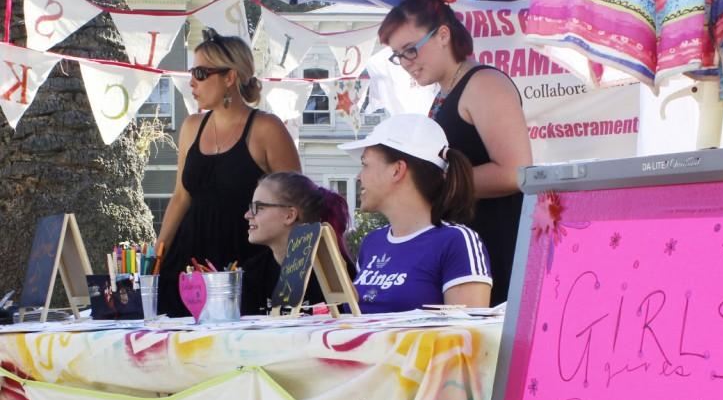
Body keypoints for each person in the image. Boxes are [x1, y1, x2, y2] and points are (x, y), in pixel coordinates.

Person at [378, 0, 532, 304]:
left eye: (410, 49)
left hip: (496, 244)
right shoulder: (446, 91)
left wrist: (430, 185)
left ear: (444, 35)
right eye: (397, 56)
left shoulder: (484, 83)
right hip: (467, 246)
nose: (406, 63)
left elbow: (515, 172)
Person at [155, 31, 301, 317]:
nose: (192, 82)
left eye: (200, 72)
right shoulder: (191, 126)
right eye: (191, 72)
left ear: (229, 77)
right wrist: (157, 257)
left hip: (246, 264)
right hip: (189, 262)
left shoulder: (266, 129)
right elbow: (181, 197)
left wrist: (292, 269)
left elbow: (299, 203)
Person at [338, 113, 491, 313]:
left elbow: (468, 338)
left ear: (397, 170)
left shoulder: (457, 241)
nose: (359, 177)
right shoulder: (372, 243)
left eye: (365, 164)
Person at [240, 172, 356, 315]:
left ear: (289, 215)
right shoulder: (253, 272)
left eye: (258, 208)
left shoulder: (331, 271)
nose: (247, 215)